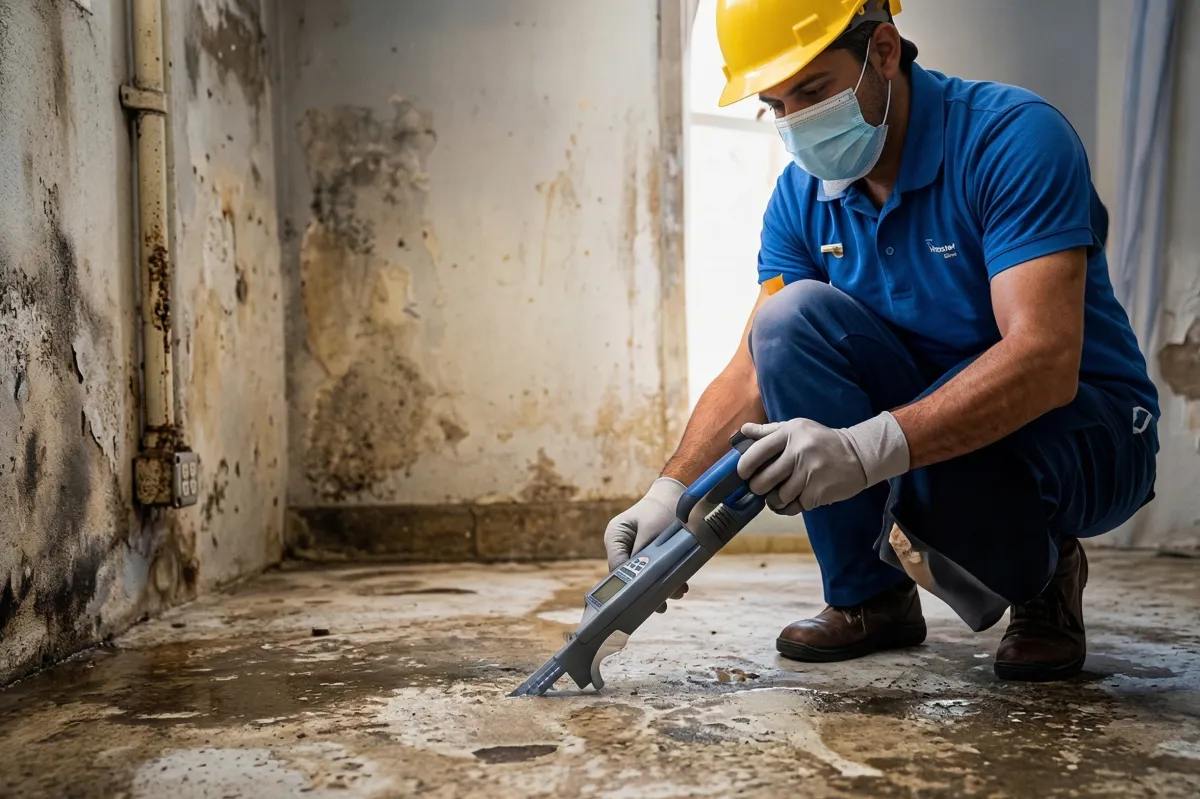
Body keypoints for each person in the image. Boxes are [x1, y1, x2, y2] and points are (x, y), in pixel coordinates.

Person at [603, 0, 1158, 682]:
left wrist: (865, 449)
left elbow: (1044, 359)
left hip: (1084, 427)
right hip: (930, 415)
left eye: (813, 90)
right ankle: (870, 598)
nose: (797, 122)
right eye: (776, 105)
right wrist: (671, 493)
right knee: (788, 321)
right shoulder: (801, 198)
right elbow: (752, 367)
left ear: (885, 51)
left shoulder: (1011, 138)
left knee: (947, 460)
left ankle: (1045, 576)